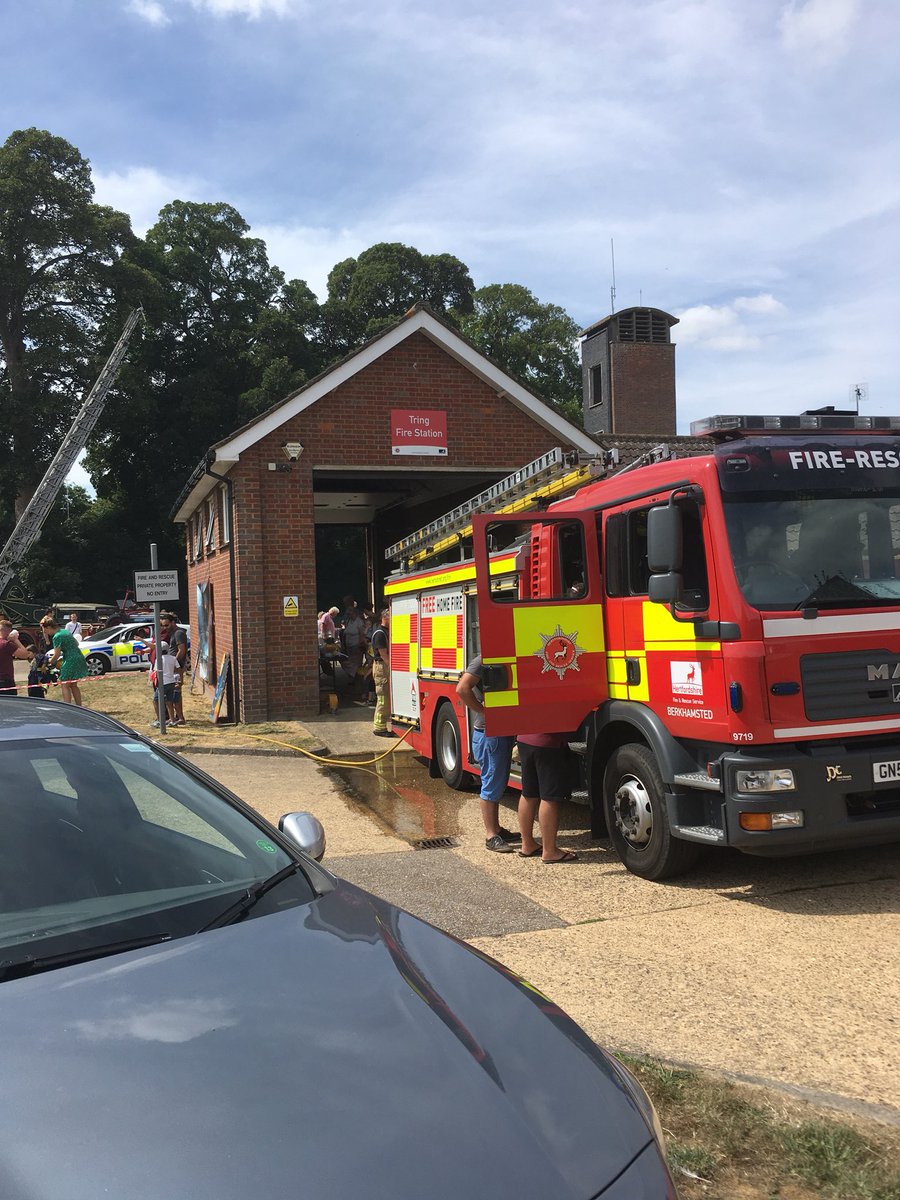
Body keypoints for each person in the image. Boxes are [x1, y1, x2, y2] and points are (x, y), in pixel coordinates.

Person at [456, 655, 519, 852]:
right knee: (491, 782)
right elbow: (462, 688)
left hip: (499, 731)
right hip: (490, 733)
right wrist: (483, 711)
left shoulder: (499, 655)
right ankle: (491, 836)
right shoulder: (483, 658)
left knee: (497, 780)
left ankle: (497, 829)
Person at [515, 732, 578, 863]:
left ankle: (527, 845)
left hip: (524, 739)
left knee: (528, 793)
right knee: (550, 797)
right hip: (548, 742)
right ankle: (550, 851)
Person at [42, 616, 89, 706]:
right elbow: (77, 643)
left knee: (65, 684)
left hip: (70, 659)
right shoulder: (65, 631)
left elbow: (56, 655)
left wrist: (47, 663)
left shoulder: (57, 637)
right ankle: (79, 706)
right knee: (73, 685)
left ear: (49, 628)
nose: (46, 633)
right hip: (79, 656)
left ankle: (68, 708)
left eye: (46, 631)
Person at [159, 611, 187, 725]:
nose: (165, 627)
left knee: (176, 693)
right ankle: (174, 717)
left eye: (167, 625)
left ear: (173, 622)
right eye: (163, 625)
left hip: (177, 668)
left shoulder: (178, 633)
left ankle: (180, 718)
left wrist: (172, 664)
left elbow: (182, 650)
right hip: (173, 667)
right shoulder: (172, 633)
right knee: (172, 694)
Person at [371, 607, 395, 737]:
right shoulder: (380, 633)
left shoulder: (387, 631)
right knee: (383, 698)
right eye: (391, 615)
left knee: (387, 697)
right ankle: (379, 728)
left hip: (385, 666)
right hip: (382, 667)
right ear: (385, 617)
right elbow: (384, 654)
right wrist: (394, 669)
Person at [0, 618, 33, 697]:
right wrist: (15, 640)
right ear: (8, 631)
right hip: (5, 681)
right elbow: (25, 654)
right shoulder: (6, 645)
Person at [150, 641, 180, 727]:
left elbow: (156, 672)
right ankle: (173, 721)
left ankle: (160, 720)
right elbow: (178, 668)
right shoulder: (173, 658)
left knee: (156, 701)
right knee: (169, 702)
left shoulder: (158, 660)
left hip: (163, 683)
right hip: (171, 682)